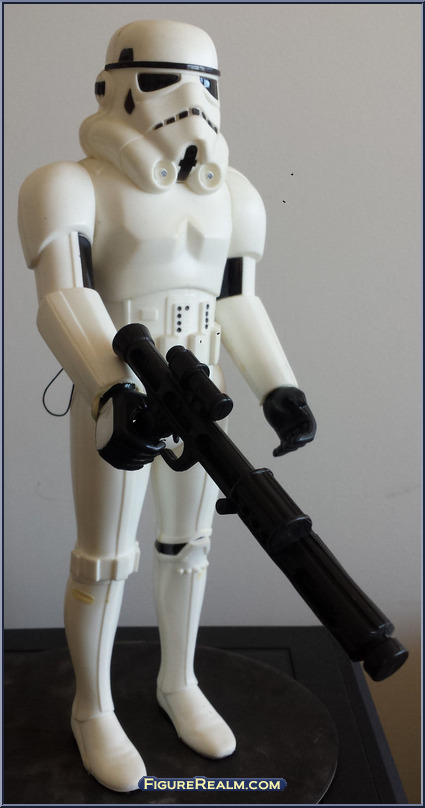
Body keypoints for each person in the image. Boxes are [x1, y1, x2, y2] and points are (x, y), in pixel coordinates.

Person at [18, 20, 316, 792]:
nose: (188, 101)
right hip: (120, 390)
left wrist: (277, 387)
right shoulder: (68, 184)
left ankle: (178, 682)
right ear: (110, 87)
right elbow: (64, 297)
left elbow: (237, 302)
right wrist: (109, 388)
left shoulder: (234, 195)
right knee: (105, 559)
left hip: (202, 392)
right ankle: (93, 709)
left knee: (189, 546)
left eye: (205, 84)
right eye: (160, 79)